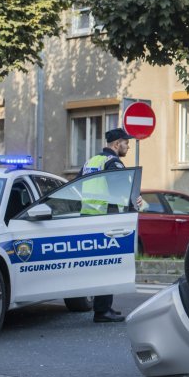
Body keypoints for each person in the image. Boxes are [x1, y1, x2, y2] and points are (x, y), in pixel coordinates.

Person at [80, 127, 138, 323]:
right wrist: (136, 203)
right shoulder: (114, 163)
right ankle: (103, 310)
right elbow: (120, 191)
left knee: (95, 266)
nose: (128, 146)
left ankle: (102, 307)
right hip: (106, 219)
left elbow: (77, 187)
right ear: (116, 144)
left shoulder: (91, 162)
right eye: (126, 143)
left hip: (86, 218)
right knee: (108, 266)